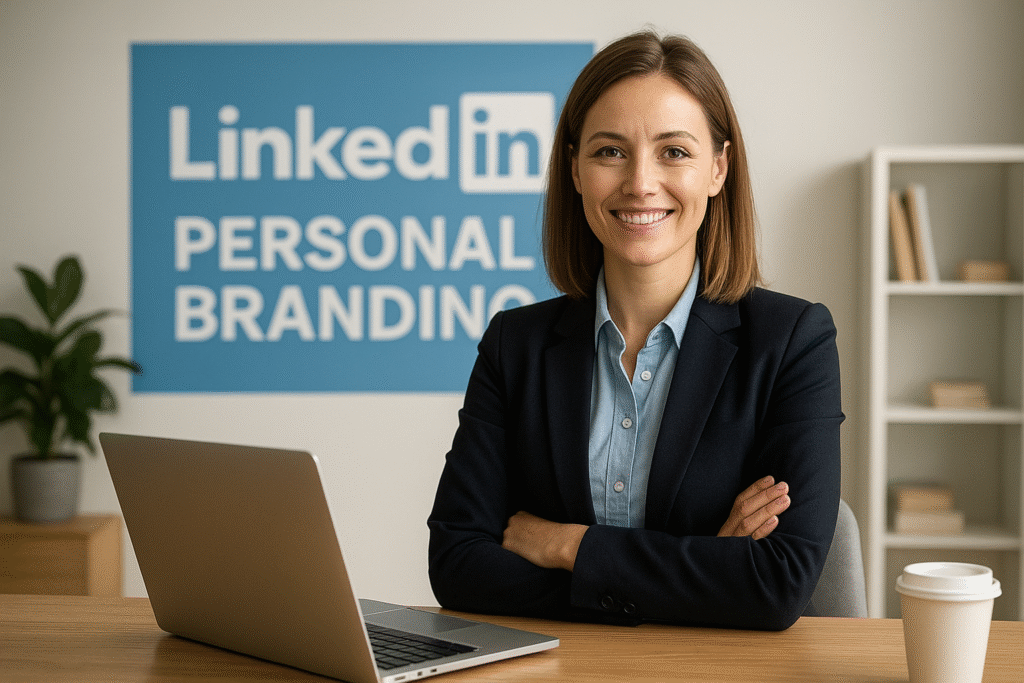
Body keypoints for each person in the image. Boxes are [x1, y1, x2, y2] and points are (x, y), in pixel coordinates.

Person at [427, 30, 842, 631]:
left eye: (674, 151)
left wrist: (567, 547)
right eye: (610, 152)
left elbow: (776, 582)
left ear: (718, 168)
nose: (641, 183)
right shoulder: (514, 345)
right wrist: (701, 571)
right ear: (574, 168)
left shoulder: (792, 342)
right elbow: (458, 563)